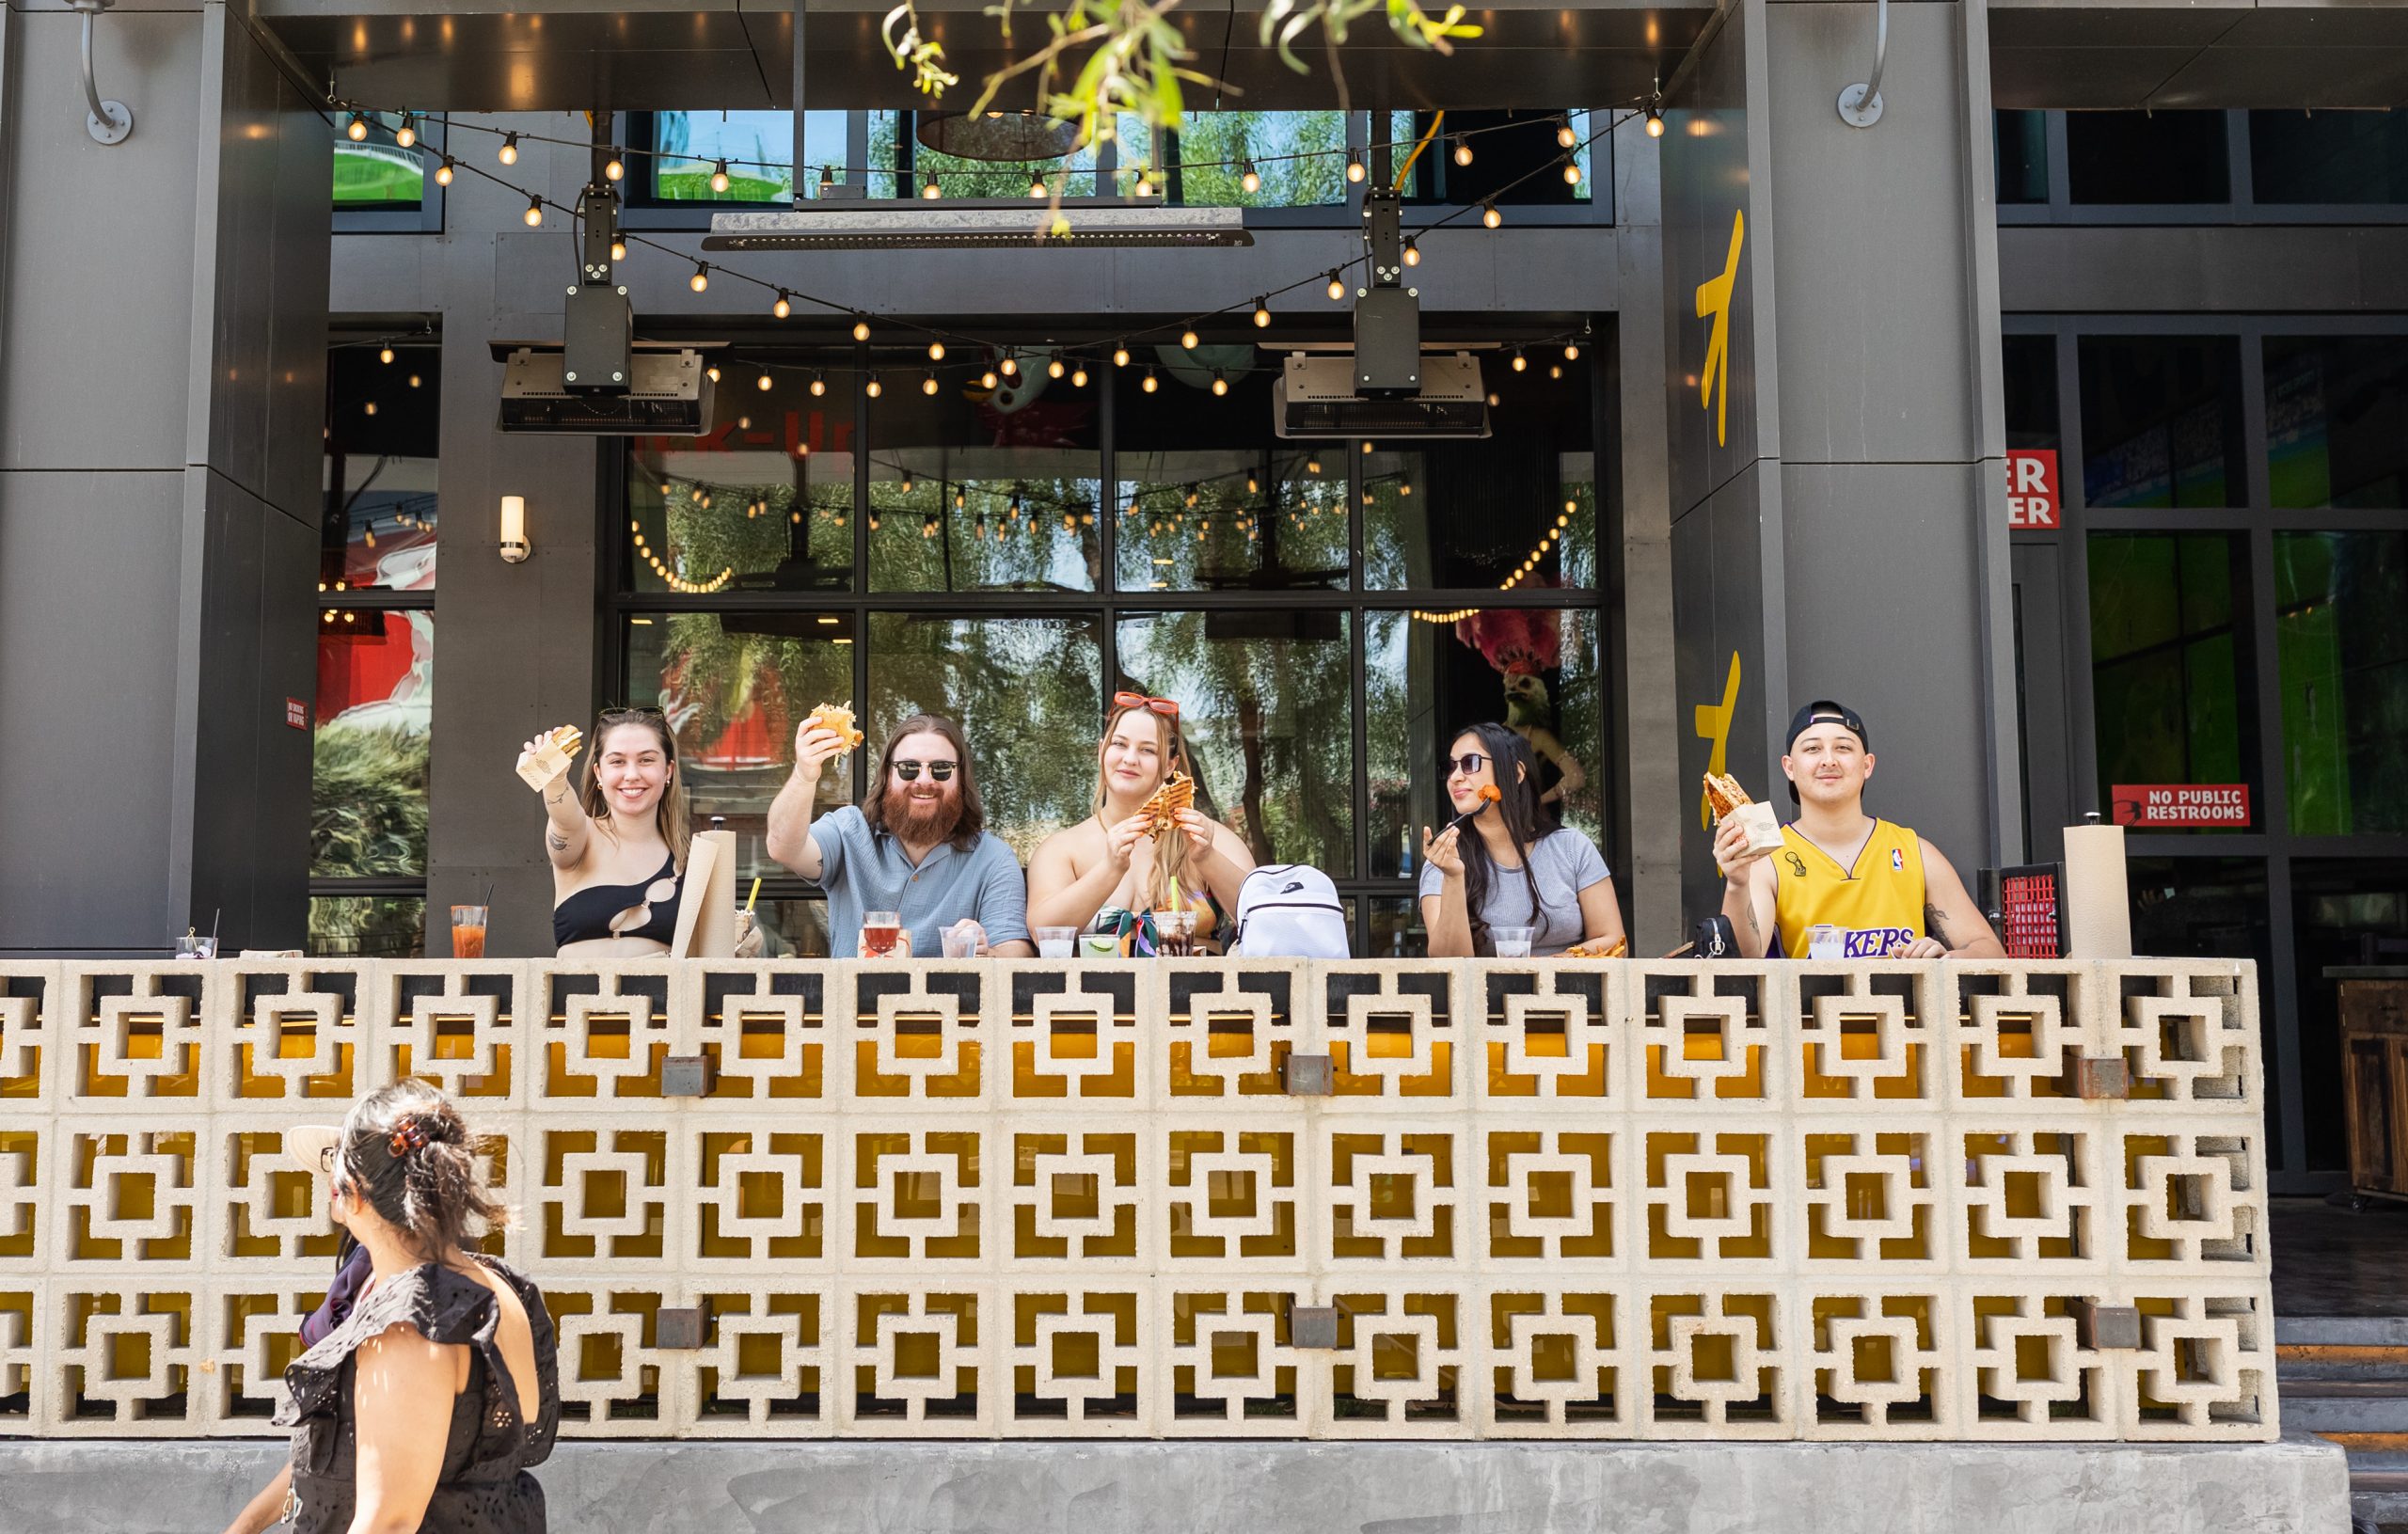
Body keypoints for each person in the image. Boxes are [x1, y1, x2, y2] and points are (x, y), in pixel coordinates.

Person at [218, 1081, 557, 1534]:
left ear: (350, 1194)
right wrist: (245, 1525)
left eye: (330, 1168)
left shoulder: (411, 1328)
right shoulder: (492, 1285)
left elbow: (389, 1521)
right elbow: (348, 1451)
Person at [1716, 699, 2004, 960]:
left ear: (1867, 765)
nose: (1828, 760)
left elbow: (1990, 950)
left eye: (1843, 747)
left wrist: (1946, 960)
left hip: (1906, 1015)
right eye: (1813, 748)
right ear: (1789, 767)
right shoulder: (1770, 859)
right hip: (1814, 1016)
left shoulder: (1914, 850)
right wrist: (1737, 883)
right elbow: (1745, 963)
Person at [764, 711, 1034, 957]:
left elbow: (1017, 952)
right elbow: (782, 847)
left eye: (941, 769)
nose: (924, 780)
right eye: (909, 768)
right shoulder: (849, 830)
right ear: (887, 774)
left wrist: (989, 954)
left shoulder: (993, 858)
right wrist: (804, 774)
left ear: (961, 778)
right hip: (850, 1009)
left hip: (946, 1010)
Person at [520, 706, 758, 957]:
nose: (632, 775)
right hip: (575, 995)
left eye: (646, 760)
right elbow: (564, 818)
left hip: (665, 996)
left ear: (668, 770)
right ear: (599, 773)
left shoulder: (692, 862)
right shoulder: (581, 836)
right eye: (617, 762)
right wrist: (554, 780)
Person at [1026, 692, 1256, 947]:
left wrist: (1207, 858)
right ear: (1101, 750)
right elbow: (1042, 934)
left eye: (1147, 749)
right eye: (1119, 744)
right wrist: (1110, 868)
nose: (1130, 759)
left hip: (1195, 986)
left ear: (1170, 765)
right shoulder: (1061, 849)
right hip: (1093, 987)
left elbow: (1263, 920)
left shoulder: (1209, 837)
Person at [1418, 722, 1625, 957]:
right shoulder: (1444, 860)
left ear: (1516, 773)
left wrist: (1545, 969)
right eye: (1450, 767)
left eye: (1470, 763)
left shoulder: (1572, 847)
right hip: (1486, 993)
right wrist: (1453, 877)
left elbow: (1614, 942)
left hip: (1569, 990)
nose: (1455, 777)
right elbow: (1447, 964)